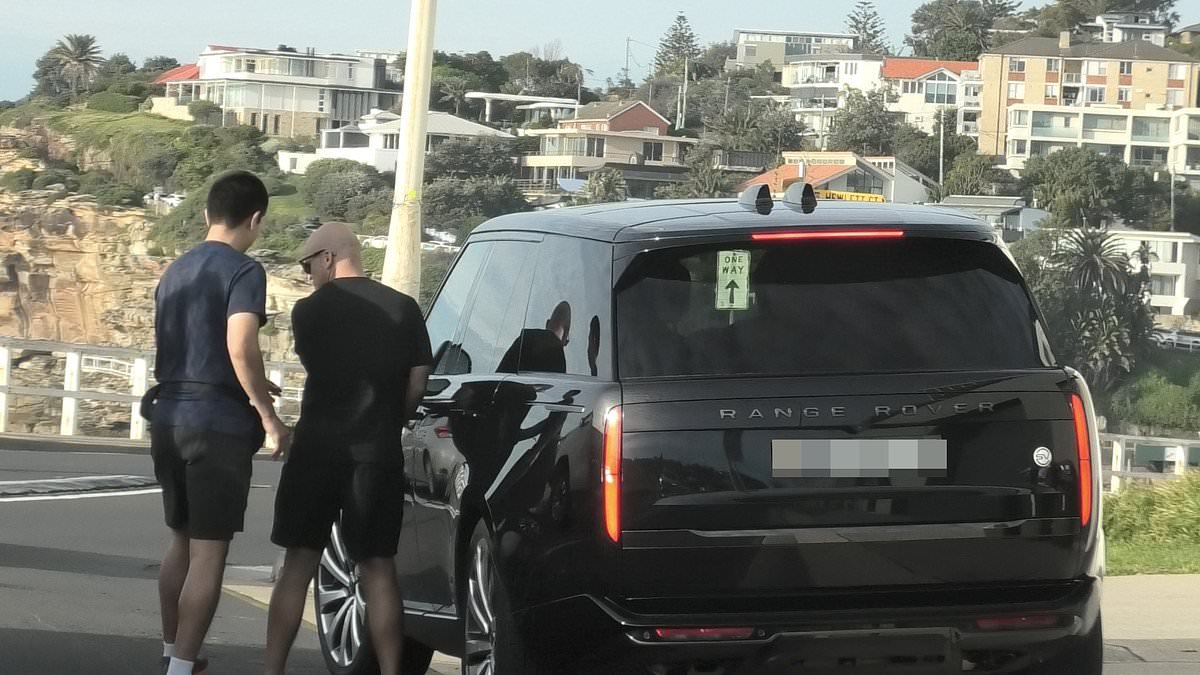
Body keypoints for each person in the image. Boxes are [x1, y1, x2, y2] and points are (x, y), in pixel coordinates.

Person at [265, 223, 432, 675]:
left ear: (327, 257)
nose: (305, 276)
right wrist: (390, 418)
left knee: (298, 565)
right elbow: (418, 379)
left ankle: (272, 671)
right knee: (379, 568)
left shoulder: (307, 313)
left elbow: (321, 365)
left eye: (307, 264)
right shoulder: (404, 308)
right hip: (376, 452)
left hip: (316, 448)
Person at [149, 171, 291, 675]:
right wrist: (267, 414)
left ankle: (172, 651)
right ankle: (182, 668)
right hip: (218, 425)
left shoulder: (174, 270)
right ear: (255, 219)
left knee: (180, 541)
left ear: (209, 213)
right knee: (211, 552)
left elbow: (193, 347)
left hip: (168, 415)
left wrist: (244, 383)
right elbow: (239, 344)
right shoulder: (244, 271)